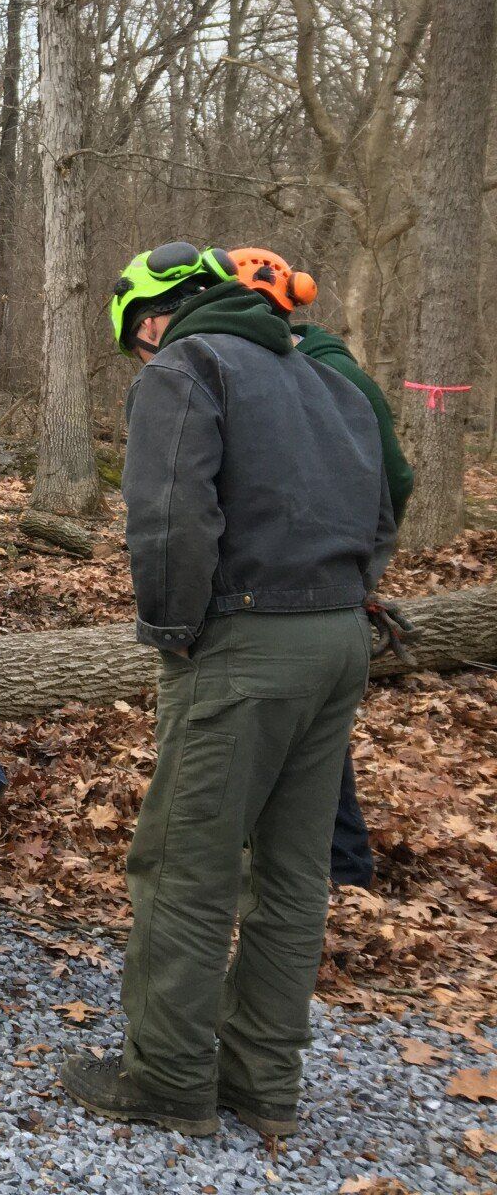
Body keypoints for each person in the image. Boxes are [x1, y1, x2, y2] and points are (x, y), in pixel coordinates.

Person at [59, 242, 396, 1140]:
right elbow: (385, 505)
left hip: (246, 646)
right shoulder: (326, 377)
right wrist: (345, 591)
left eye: (138, 338)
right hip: (339, 640)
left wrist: (176, 634)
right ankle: (263, 1080)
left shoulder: (190, 367)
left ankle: (169, 1078)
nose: (143, 354)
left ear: (159, 314)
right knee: (291, 874)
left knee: (186, 868)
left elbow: (169, 514)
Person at [230, 247, 413, 888]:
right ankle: (330, 870)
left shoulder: (332, 375)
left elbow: (394, 479)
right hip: (287, 589)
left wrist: (358, 571)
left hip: (316, 588)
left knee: (313, 747)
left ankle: (345, 871)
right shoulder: (263, 368)